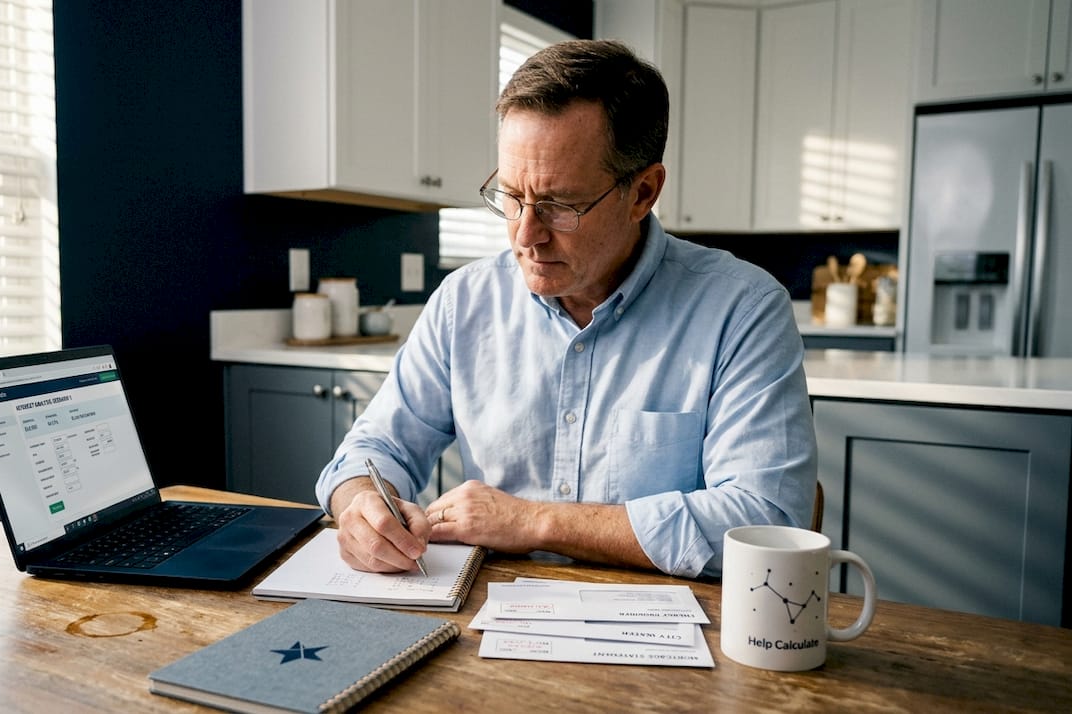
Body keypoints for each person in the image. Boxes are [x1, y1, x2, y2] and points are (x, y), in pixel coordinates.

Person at [315, 39, 816, 579]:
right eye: (511, 196)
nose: (526, 235)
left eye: (559, 205)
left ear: (644, 191)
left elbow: (765, 520)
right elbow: (374, 447)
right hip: (482, 624)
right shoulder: (463, 303)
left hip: (663, 638)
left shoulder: (742, 309)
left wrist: (536, 522)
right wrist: (362, 503)